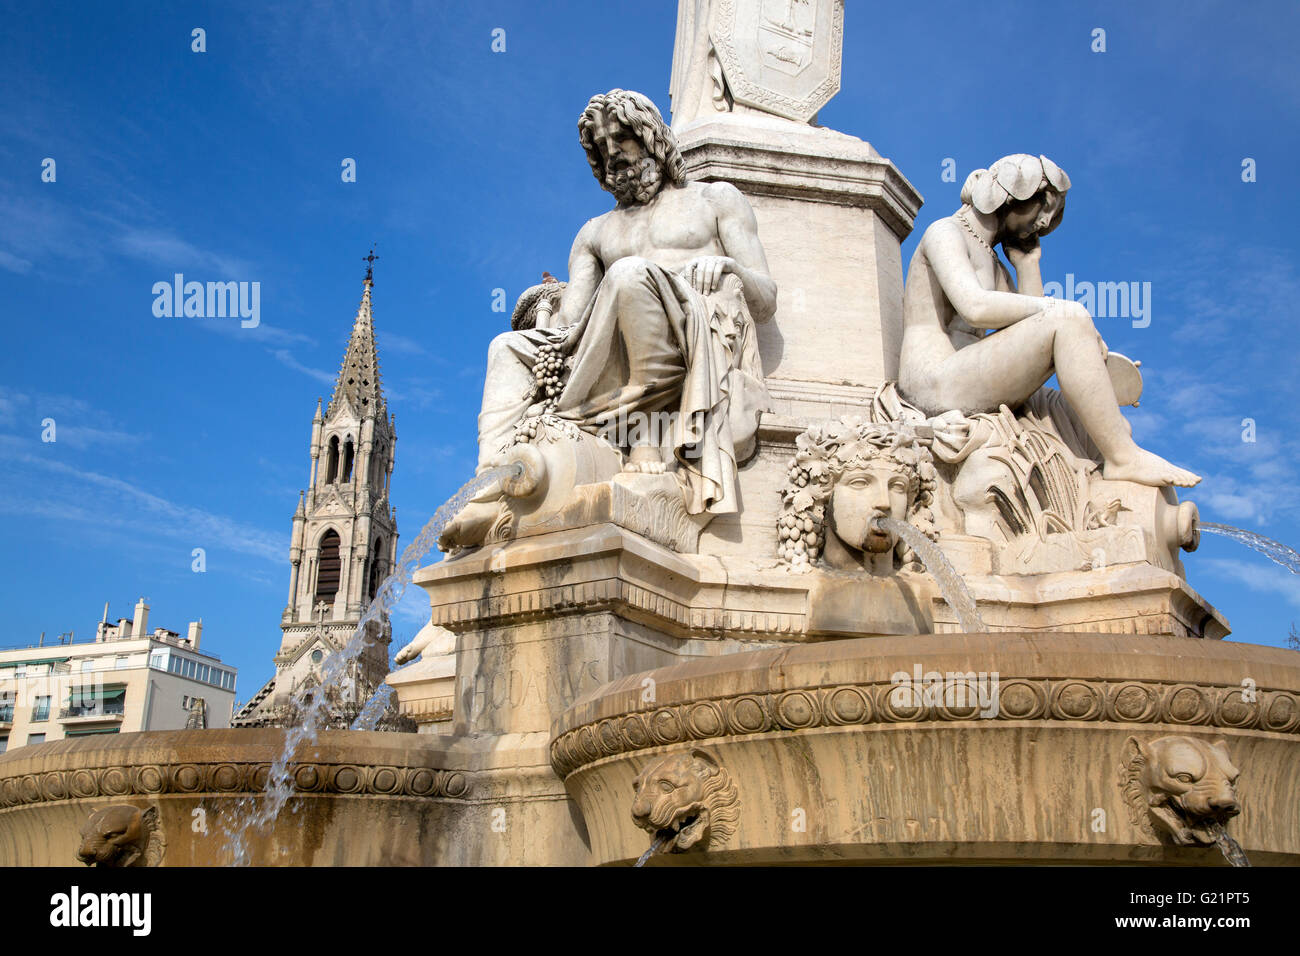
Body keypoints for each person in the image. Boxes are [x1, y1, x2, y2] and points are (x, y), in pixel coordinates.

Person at [898, 153, 1199, 488]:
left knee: (1071, 388)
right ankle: (1124, 458)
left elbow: (1029, 333)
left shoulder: (995, 263)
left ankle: (1120, 446)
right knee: (1069, 317)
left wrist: (1028, 264)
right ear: (1011, 195)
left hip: (963, 373)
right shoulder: (946, 231)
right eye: (1042, 208)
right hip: (933, 380)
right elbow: (976, 307)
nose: (1043, 222)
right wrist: (1068, 312)